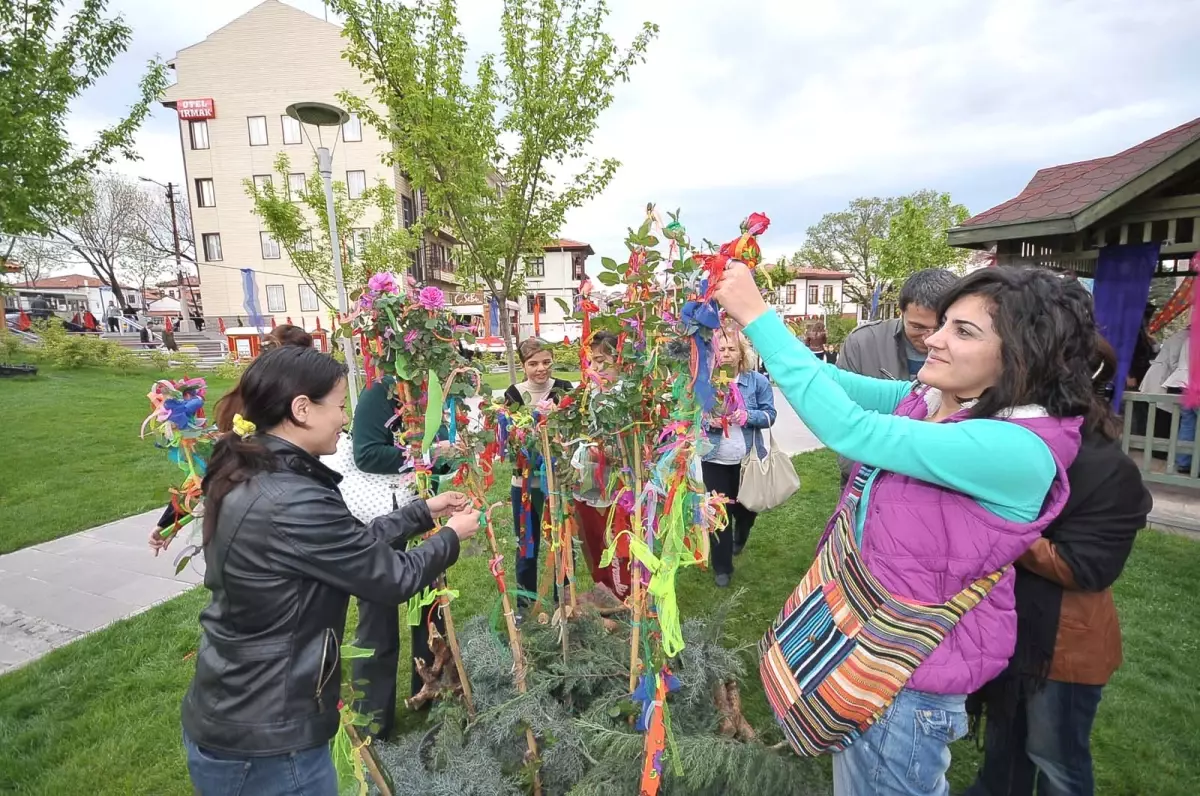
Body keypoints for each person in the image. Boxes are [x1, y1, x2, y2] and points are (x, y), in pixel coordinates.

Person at [715, 262, 1106, 796]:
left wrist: (758, 314)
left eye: (963, 332)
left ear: (1021, 355)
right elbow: (834, 383)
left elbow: (850, 430)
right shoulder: (937, 401)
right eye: (943, 323)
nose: (935, 341)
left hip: (906, 679)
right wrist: (758, 352)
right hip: (874, 651)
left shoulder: (1015, 448)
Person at [180, 346, 480, 795]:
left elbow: (342, 545)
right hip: (269, 735)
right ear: (302, 409)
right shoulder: (292, 497)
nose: (345, 418)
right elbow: (391, 577)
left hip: (242, 706)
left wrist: (424, 512)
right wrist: (451, 536)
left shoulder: (261, 472)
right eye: (339, 405)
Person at [964, 337, 1152, 796]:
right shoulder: (1019, 442)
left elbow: (1085, 567)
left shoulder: (1107, 468)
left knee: (1056, 759)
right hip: (1010, 629)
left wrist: (1001, 523)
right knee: (1005, 746)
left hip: (1064, 648)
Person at [347, 370, 464, 738]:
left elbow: (439, 445)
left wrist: (445, 455)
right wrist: (424, 453)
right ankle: (373, 719)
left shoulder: (434, 387)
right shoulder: (379, 393)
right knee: (377, 626)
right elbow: (365, 454)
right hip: (381, 520)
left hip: (424, 512)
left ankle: (430, 693)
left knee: (429, 613)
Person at [149, 325, 317, 553]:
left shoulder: (238, 400)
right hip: (275, 527)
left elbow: (210, 468)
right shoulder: (283, 408)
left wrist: (168, 521)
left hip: (241, 528)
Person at [835, 268, 958, 484]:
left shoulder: (971, 354)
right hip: (866, 476)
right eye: (917, 327)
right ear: (901, 312)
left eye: (940, 326)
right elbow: (841, 411)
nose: (929, 338)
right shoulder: (864, 343)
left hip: (938, 481)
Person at [702, 324, 777, 588]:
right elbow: (691, 418)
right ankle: (722, 567)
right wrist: (706, 422)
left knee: (746, 509)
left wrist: (748, 416)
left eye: (732, 348)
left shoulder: (756, 382)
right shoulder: (706, 382)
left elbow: (771, 416)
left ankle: (741, 534)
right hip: (714, 459)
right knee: (719, 511)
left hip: (747, 460)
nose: (726, 353)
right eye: (721, 348)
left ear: (741, 353)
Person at [503, 338, 575, 609]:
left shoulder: (564, 389)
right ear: (523, 366)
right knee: (526, 541)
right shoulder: (515, 393)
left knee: (562, 538)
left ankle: (565, 600)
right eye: (533, 364)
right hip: (525, 482)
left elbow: (571, 431)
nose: (541, 369)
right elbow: (512, 439)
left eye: (546, 362)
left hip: (558, 480)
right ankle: (525, 604)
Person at [573, 331, 634, 604]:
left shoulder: (629, 397)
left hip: (618, 484)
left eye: (602, 361)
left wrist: (614, 453)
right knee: (593, 535)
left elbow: (635, 445)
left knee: (616, 537)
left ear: (618, 360)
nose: (595, 368)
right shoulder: (588, 393)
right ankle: (602, 588)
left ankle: (624, 594)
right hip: (588, 478)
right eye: (592, 362)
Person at [1140, 324, 1193, 473]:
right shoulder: (1182, 338)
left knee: (1182, 421)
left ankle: (1181, 459)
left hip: (1177, 379)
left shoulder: (1187, 339)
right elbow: (1173, 361)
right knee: (1165, 416)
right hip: (1168, 377)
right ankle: (1162, 451)